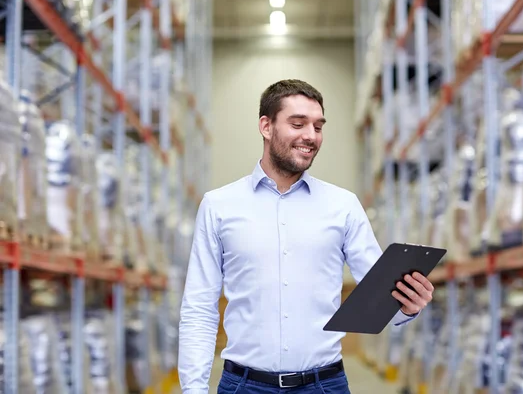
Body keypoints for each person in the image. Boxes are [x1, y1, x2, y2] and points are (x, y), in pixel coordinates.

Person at [178, 79, 435, 394]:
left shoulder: (343, 205)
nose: (310, 136)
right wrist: (193, 388)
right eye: (298, 124)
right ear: (266, 126)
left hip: (324, 385)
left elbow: (379, 291)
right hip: (244, 386)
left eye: (318, 126)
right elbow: (200, 306)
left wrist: (408, 305)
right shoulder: (219, 206)